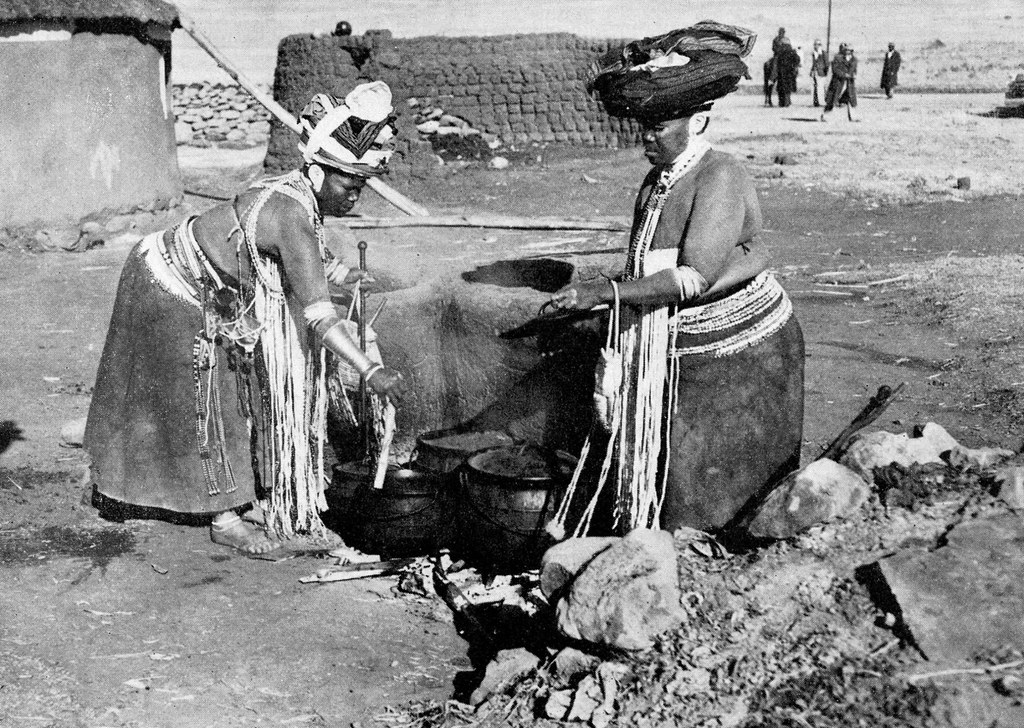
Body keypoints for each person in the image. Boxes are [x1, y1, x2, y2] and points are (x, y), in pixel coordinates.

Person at [85, 81, 406, 555]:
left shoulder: (299, 194)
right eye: (348, 183)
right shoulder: (292, 212)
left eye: (360, 184)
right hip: (167, 278)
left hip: (177, 266)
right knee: (210, 390)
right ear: (317, 173)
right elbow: (318, 316)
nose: (355, 194)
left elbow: (311, 255)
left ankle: (235, 491)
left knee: (236, 385)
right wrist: (369, 370)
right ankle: (225, 517)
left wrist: (347, 275)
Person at [556, 22, 804, 535]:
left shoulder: (720, 174)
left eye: (659, 127)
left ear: (699, 120)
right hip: (666, 332)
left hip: (736, 348)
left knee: (709, 476)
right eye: (642, 126)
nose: (647, 137)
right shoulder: (657, 179)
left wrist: (608, 293)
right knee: (664, 459)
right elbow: (650, 260)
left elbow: (693, 276)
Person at [822, 43, 859, 121]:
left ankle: (853, 117)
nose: (848, 52)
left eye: (849, 50)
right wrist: (844, 75)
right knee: (832, 100)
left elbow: (854, 70)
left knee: (851, 99)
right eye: (846, 50)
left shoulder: (854, 60)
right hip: (838, 82)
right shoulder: (837, 58)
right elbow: (835, 70)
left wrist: (853, 75)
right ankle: (825, 116)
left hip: (849, 83)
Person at [775, 37, 801, 107]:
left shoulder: (780, 51)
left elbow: (777, 62)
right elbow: (797, 59)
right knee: (788, 88)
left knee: (781, 88)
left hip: (782, 72)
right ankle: (787, 102)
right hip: (790, 73)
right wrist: (793, 66)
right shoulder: (792, 51)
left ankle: (782, 103)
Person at [809, 39, 829, 107]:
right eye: (815, 44)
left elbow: (827, 64)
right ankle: (816, 102)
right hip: (815, 72)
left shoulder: (823, 53)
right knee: (815, 87)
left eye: (817, 44)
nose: (815, 46)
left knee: (820, 88)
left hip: (821, 73)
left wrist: (825, 72)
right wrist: (811, 71)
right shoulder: (814, 53)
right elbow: (814, 63)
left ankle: (821, 102)